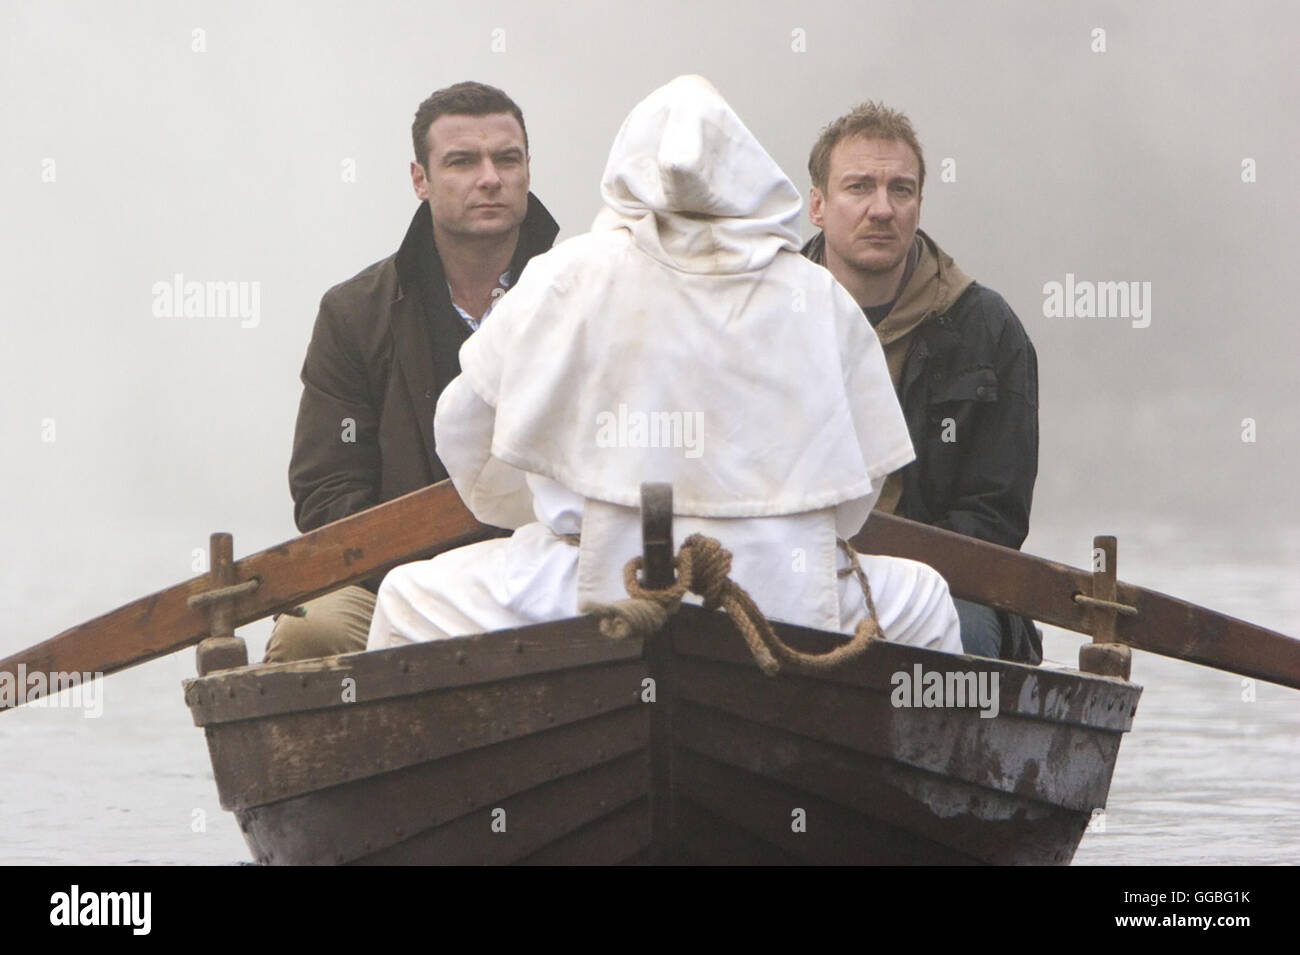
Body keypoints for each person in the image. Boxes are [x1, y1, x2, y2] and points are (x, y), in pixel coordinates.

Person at [366, 76, 961, 657]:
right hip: (790, 593)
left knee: (407, 598)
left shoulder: (568, 274)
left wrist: (553, 511)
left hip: (582, 585)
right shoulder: (816, 294)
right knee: (927, 599)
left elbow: (467, 435)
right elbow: (864, 486)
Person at [263, 81, 559, 664]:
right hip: (392, 579)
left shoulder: (587, 293)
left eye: (507, 158)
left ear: (527, 169)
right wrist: (434, 576)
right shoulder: (354, 314)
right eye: (461, 161)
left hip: (557, 573)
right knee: (311, 636)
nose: (490, 178)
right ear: (420, 180)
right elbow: (326, 494)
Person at [803, 101, 1041, 662]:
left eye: (901, 190)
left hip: (951, 583)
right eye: (859, 187)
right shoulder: (765, 314)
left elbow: (995, 515)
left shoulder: (987, 329)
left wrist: (888, 572)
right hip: (793, 563)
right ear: (817, 205)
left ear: (919, 204)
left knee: (965, 632)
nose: (881, 209)